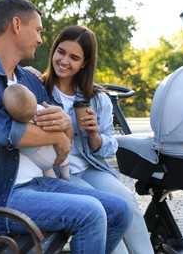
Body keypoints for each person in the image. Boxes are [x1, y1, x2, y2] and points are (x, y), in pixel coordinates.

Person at [0, 0, 132, 253]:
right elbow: (1, 132)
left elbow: (64, 131)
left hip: (39, 184)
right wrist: (56, 137)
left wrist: (64, 128)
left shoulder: (29, 80)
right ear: (16, 25)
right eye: (38, 30)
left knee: (120, 210)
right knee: (90, 213)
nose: (41, 39)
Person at [40, 25, 155, 254]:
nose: (64, 61)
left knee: (127, 202)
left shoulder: (96, 98)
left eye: (74, 57)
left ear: (84, 63)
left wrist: (95, 136)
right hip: (60, 174)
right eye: (61, 52)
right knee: (106, 213)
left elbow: (110, 145)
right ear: (53, 50)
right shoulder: (38, 88)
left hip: (91, 168)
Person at [2, 83, 70, 180]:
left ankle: (56, 181)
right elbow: (57, 127)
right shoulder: (40, 111)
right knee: (64, 163)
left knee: (49, 174)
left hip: (33, 157)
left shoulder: (11, 119)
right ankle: (66, 177)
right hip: (51, 154)